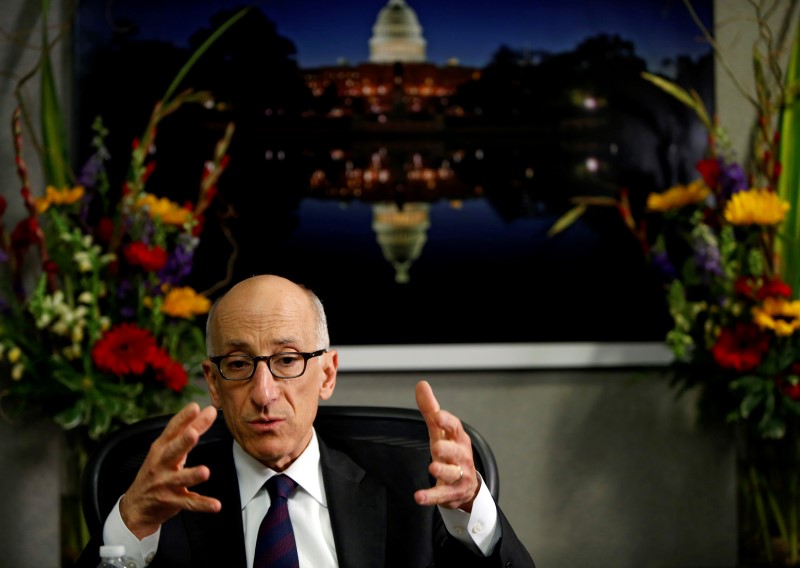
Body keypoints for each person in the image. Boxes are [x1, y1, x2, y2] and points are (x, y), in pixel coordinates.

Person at [76, 274, 536, 567]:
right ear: (212, 383)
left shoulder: (411, 483)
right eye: (238, 365)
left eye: (288, 359)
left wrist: (473, 505)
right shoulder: (164, 498)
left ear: (327, 373)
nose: (263, 392)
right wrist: (132, 522)